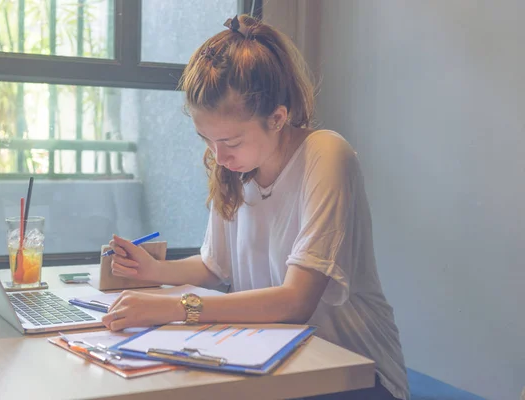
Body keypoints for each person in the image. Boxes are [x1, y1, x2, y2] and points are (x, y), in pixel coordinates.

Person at [103, 14, 409, 400]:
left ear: (278, 118)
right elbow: (216, 267)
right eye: (207, 139)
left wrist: (175, 308)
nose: (218, 155)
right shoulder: (236, 165)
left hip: (353, 372)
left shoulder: (327, 154)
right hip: (269, 362)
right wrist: (153, 271)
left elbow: (296, 300)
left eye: (230, 141)